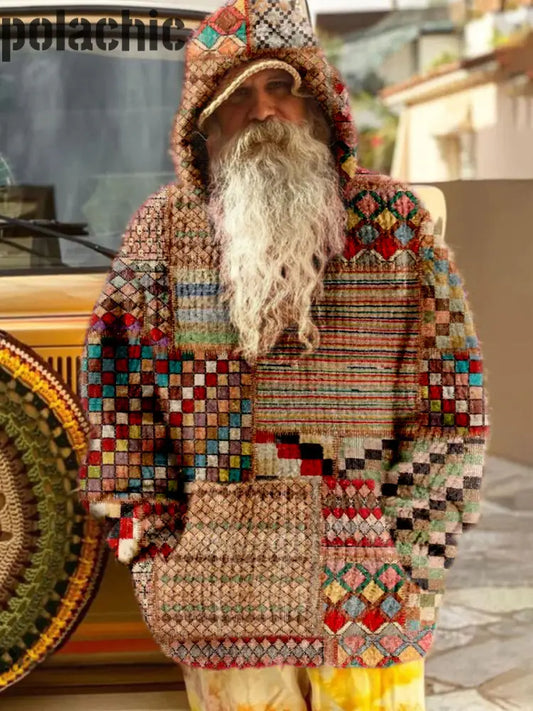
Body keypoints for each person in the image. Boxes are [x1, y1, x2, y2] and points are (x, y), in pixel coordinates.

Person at [78, 1, 489, 709]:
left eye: (280, 88)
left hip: (371, 606)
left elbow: (452, 406)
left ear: (319, 103)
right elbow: (116, 401)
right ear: (203, 123)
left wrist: (411, 557)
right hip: (214, 605)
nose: (262, 110)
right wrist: (155, 548)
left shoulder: (395, 229)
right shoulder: (160, 235)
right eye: (236, 95)